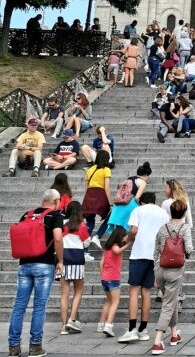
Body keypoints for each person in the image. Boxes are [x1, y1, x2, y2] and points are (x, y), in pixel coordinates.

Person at [7, 188, 64, 357]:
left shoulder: (26, 215)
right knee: (39, 306)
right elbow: (58, 237)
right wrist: (60, 260)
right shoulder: (56, 216)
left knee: (19, 306)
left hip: (24, 265)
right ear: (55, 201)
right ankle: (35, 346)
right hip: (44, 265)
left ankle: (13, 347)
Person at [118, 192, 169, 343]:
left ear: (142, 202)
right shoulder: (163, 213)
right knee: (146, 292)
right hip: (154, 256)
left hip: (139, 254)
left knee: (134, 290)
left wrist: (128, 238)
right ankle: (143, 329)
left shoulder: (138, 210)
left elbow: (133, 230)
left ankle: (132, 329)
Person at [150, 199, 193, 355]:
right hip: (175, 270)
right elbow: (189, 249)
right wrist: (184, 254)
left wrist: (156, 269)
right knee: (168, 304)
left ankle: (174, 334)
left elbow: (155, 251)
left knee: (171, 300)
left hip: (160, 269)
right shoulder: (185, 228)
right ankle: (157, 341)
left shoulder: (163, 228)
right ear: (183, 213)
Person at [59, 201, 90, 335]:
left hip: (63, 259)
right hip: (77, 258)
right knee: (78, 291)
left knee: (64, 293)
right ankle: (72, 319)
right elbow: (86, 243)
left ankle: (64, 325)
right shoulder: (81, 225)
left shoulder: (61, 224)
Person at [98, 226, 128, 337]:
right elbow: (118, 251)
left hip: (105, 279)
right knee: (115, 302)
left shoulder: (107, 248)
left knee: (109, 301)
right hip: (113, 279)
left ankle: (101, 324)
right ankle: (108, 326)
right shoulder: (115, 246)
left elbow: (101, 264)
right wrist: (128, 244)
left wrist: (103, 275)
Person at [81, 150, 112, 238]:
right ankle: (98, 235)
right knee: (110, 215)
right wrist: (110, 203)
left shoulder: (90, 169)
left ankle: (85, 245)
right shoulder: (106, 170)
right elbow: (106, 187)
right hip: (100, 195)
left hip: (89, 195)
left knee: (90, 220)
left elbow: (86, 187)